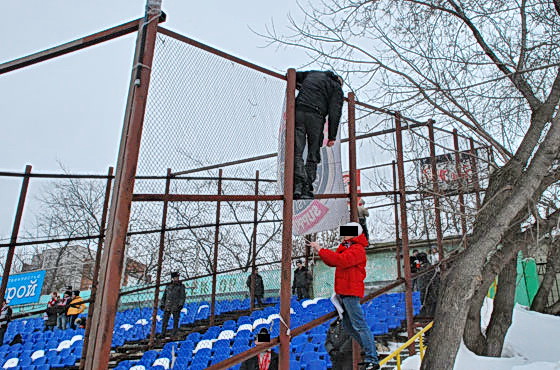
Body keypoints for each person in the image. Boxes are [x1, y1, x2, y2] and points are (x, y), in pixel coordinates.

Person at [310, 222, 380, 370]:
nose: (344, 234)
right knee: (349, 327)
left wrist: (320, 249)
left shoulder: (358, 249)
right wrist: (320, 251)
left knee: (359, 325)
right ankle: (369, 353)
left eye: (348, 231)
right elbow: (332, 261)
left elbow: (339, 260)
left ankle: (372, 358)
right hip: (343, 292)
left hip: (350, 291)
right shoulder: (346, 248)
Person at [293, 70, 344, 199]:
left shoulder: (313, 74)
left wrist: (302, 88)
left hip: (299, 111)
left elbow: (294, 76)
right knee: (313, 152)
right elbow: (335, 113)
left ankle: (297, 185)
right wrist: (332, 136)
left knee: (297, 150)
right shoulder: (336, 87)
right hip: (316, 116)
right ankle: (306, 187)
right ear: (339, 81)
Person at [160, 272, 186, 337]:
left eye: (177, 277)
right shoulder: (168, 286)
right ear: (172, 278)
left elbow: (182, 296)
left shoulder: (181, 286)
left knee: (175, 320)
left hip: (176, 305)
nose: (176, 279)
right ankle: (163, 333)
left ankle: (174, 333)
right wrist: (162, 304)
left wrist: (180, 304)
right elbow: (164, 296)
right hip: (168, 305)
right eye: (175, 278)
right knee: (165, 320)